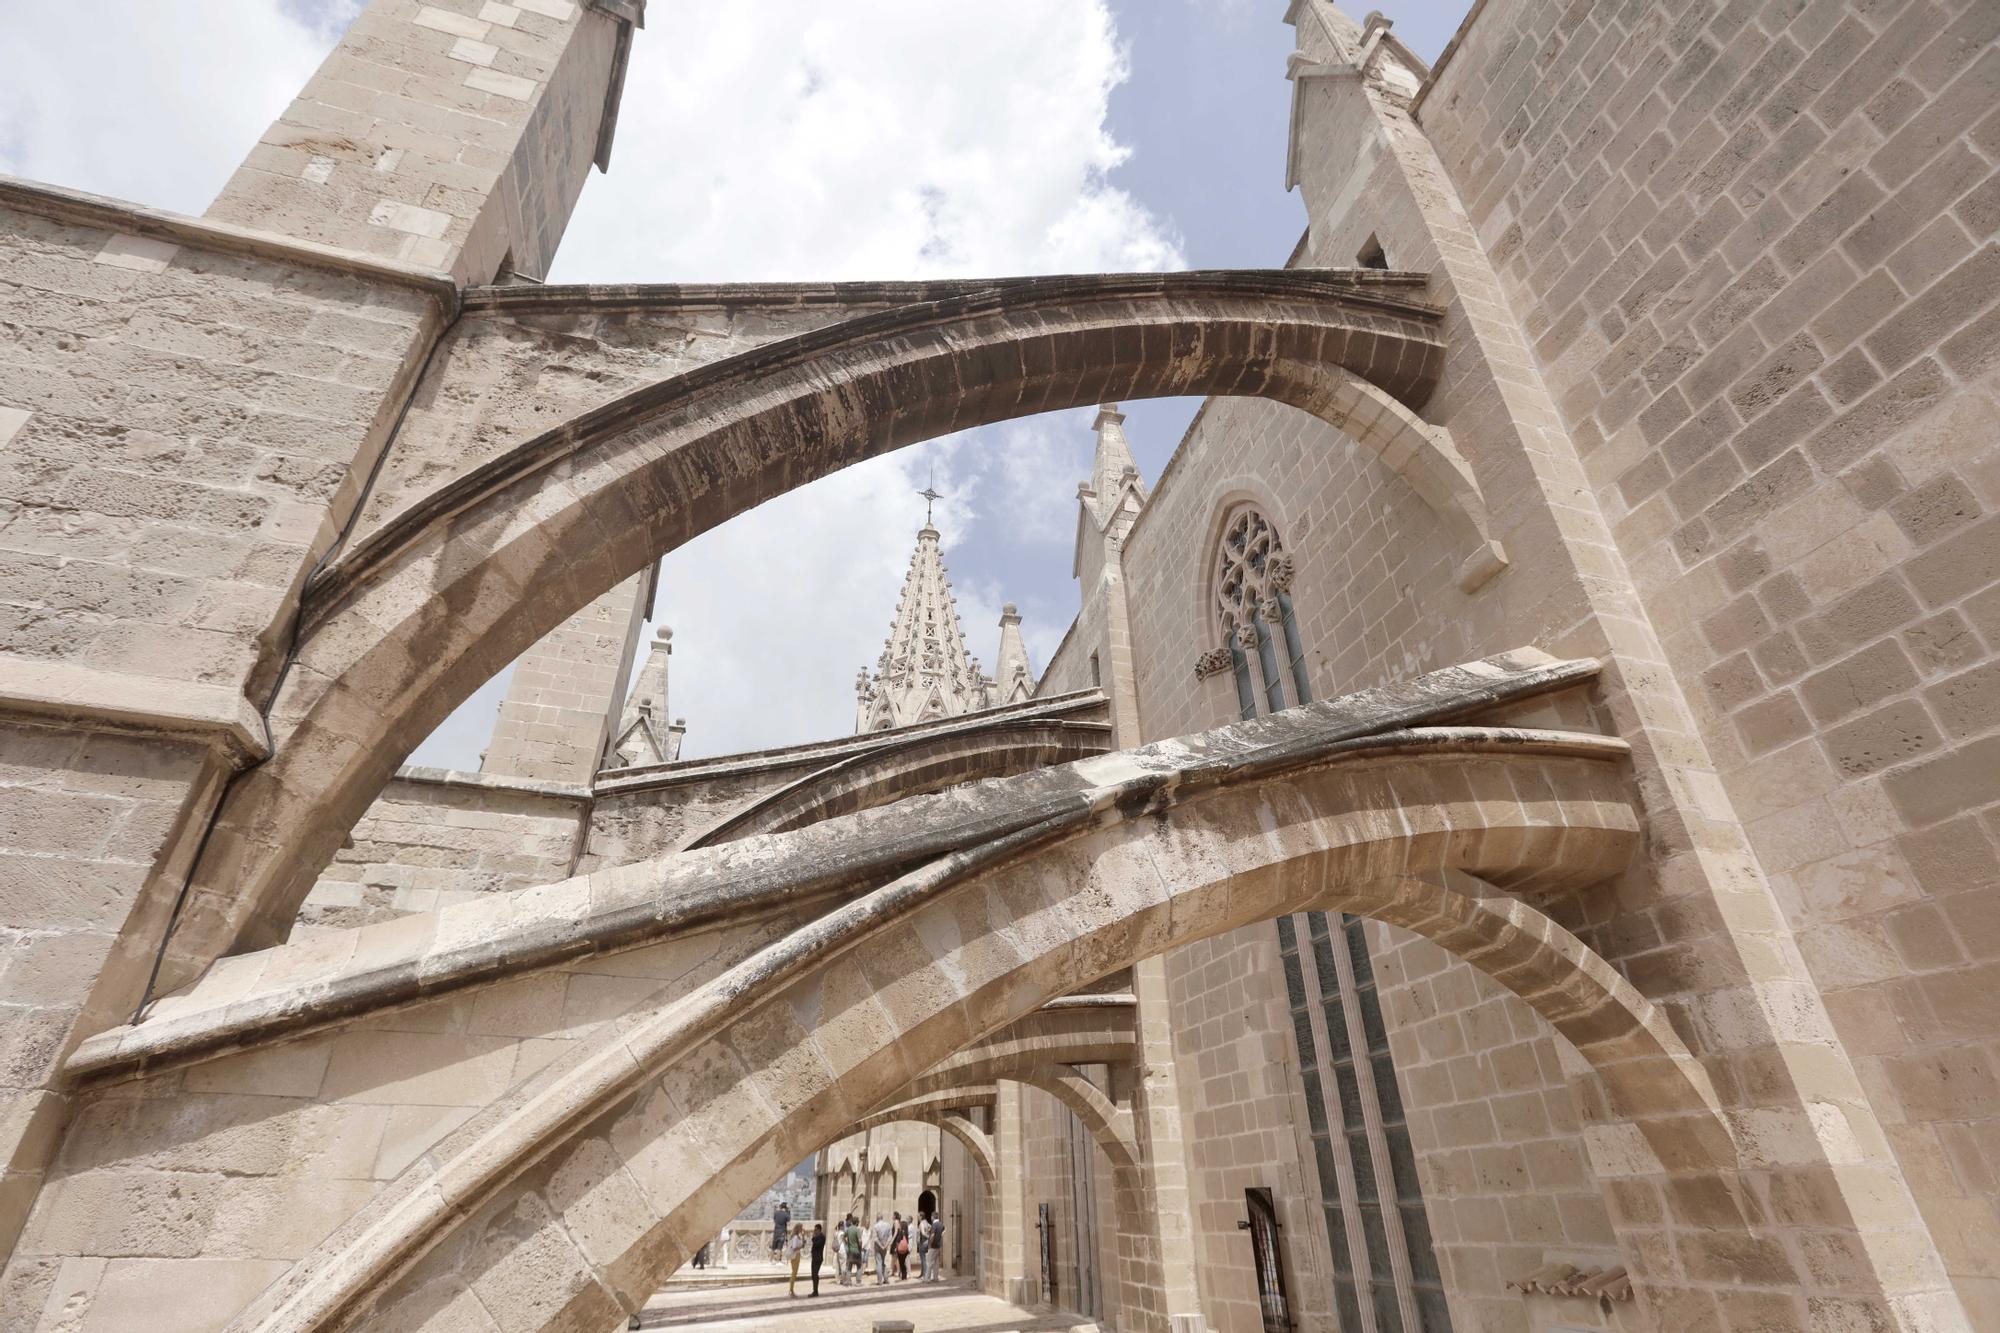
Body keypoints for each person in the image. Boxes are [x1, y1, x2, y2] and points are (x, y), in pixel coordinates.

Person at [784, 1222, 806, 1297]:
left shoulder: (797, 1236)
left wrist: (803, 1236)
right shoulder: (796, 1237)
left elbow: (802, 1244)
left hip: (797, 1255)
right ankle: (791, 1290)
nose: (802, 1229)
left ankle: (791, 1290)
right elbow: (794, 1247)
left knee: (794, 1272)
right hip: (796, 1255)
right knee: (794, 1273)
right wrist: (800, 1247)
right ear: (798, 1228)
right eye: (801, 1227)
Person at [871, 1214, 892, 1284]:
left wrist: (881, 1246)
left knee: (879, 1263)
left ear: (877, 1218)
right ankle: (886, 1279)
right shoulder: (888, 1225)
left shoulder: (875, 1226)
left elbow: (875, 1238)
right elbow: (890, 1237)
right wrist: (885, 1245)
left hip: (878, 1247)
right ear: (882, 1218)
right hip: (885, 1246)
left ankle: (879, 1280)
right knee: (883, 1262)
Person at [844, 1215, 865, 1286]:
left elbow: (843, 1236)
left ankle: (848, 1281)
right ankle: (858, 1282)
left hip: (850, 1251)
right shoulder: (857, 1230)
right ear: (857, 1223)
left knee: (849, 1267)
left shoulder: (848, 1229)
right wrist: (861, 1247)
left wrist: (846, 1243)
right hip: (857, 1251)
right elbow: (860, 1241)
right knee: (859, 1266)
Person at [808, 1223, 827, 1297]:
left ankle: (815, 1291)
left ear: (819, 1230)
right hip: (814, 1257)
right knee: (813, 1274)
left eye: (815, 1230)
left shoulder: (822, 1237)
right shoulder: (817, 1237)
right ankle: (815, 1290)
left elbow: (817, 1245)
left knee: (815, 1274)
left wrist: (813, 1238)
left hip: (818, 1258)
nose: (814, 1231)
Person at [927, 1212, 945, 1281]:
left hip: (933, 1245)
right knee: (936, 1262)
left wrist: (930, 1244)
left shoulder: (934, 1224)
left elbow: (932, 1235)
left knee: (929, 1262)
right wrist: (940, 1237)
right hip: (938, 1245)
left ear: (932, 1217)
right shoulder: (941, 1224)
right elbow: (944, 1230)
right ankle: (935, 1277)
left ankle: (927, 1278)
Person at [914, 1211, 930, 1282]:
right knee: (924, 1259)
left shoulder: (921, 1224)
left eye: (918, 1216)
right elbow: (931, 1228)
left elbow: (923, 1233)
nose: (917, 1218)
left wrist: (928, 1237)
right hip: (926, 1243)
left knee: (923, 1259)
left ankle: (925, 1275)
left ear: (921, 1216)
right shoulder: (926, 1222)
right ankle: (922, 1273)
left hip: (922, 1243)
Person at [892, 1212, 909, 1280]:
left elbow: (898, 1240)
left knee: (901, 1262)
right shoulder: (906, 1234)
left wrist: (896, 1247)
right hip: (905, 1249)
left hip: (901, 1249)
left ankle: (903, 1276)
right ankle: (904, 1275)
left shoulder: (901, 1233)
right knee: (903, 1262)